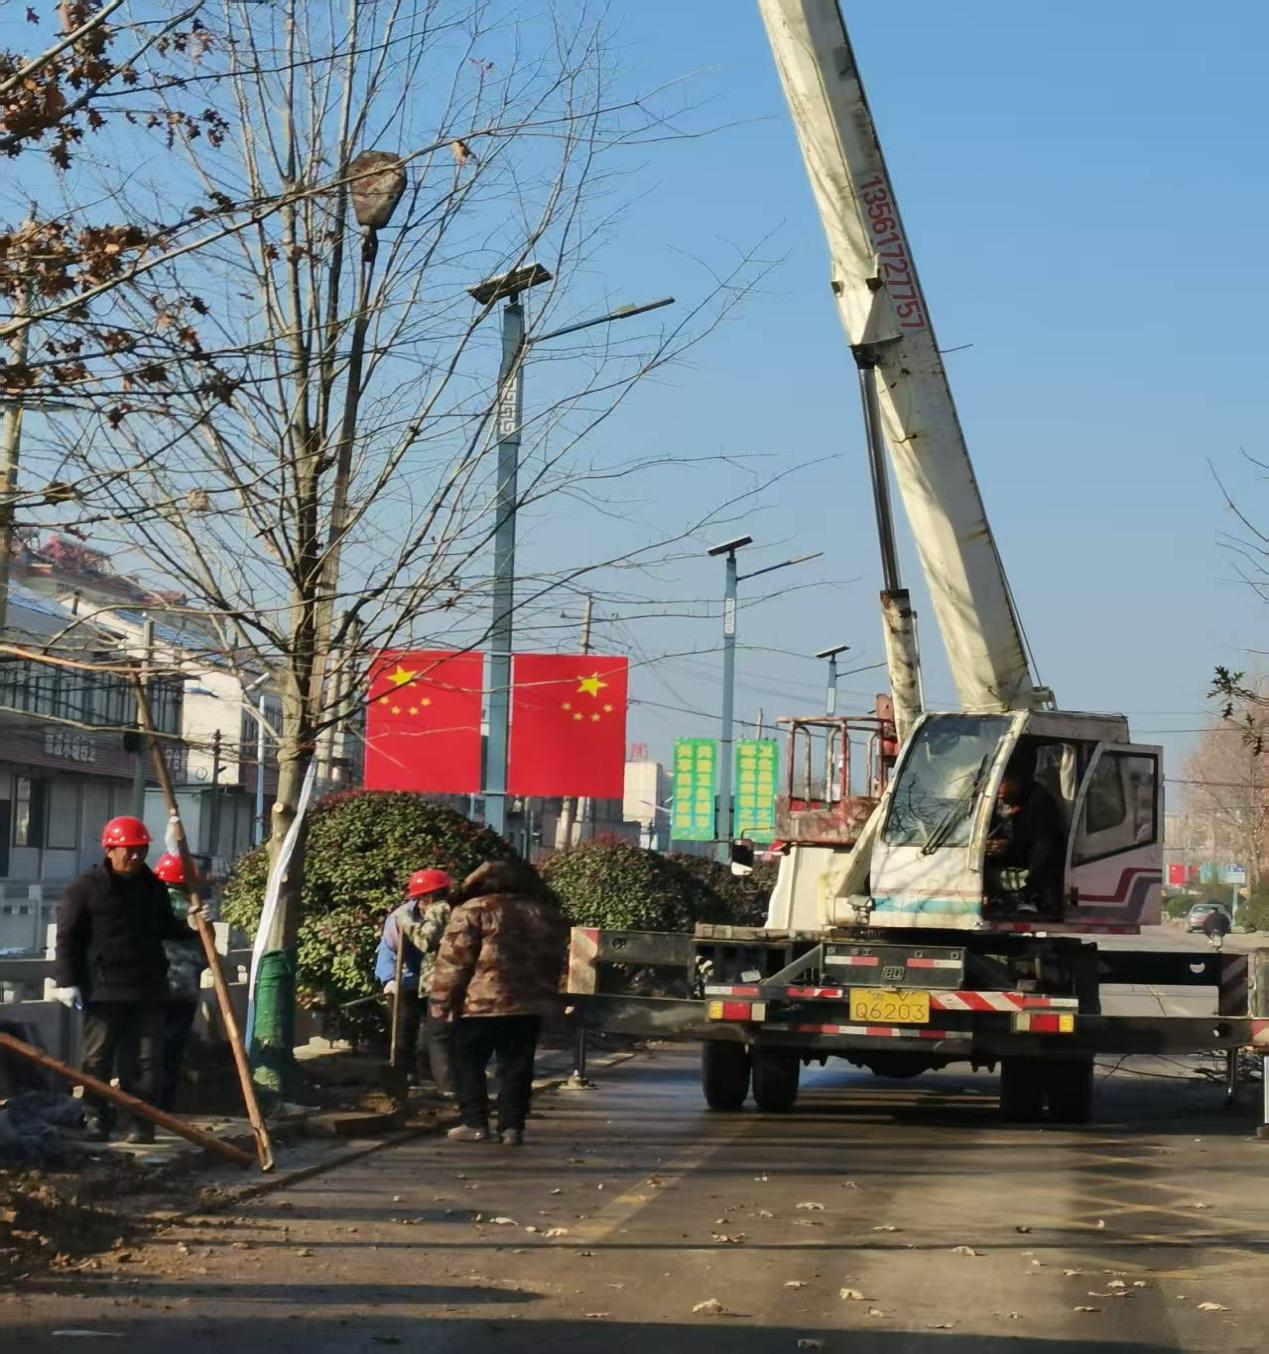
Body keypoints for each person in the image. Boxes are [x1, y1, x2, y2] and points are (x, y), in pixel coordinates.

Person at [51, 817, 199, 1144]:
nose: (134, 857)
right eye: (128, 851)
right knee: (97, 1059)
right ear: (110, 849)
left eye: (141, 850)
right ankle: (96, 1118)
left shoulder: (153, 887)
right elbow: (67, 938)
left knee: (147, 1059)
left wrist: (193, 925)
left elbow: (165, 928)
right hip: (104, 990)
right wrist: (66, 980)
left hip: (148, 988)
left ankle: (140, 1122)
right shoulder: (85, 888)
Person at [430, 860, 567, 1146]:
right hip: (528, 1004)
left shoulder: (473, 910)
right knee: (517, 1065)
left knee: (468, 1061)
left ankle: (475, 1122)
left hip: (480, 1004)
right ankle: (512, 1127)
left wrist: (442, 999)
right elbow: (555, 961)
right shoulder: (543, 913)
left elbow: (454, 960)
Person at [374, 868, 454, 1092]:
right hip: (407, 978)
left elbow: (429, 941)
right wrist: (389, 978)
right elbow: (388, 950)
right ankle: (404, 1073)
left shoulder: (443, 912)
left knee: (431, 1032)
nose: (421, 903)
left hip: (434, 981)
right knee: (404, 1027)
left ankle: (430, 1073)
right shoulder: (399, 917)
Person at [151, 851, 211, 1113]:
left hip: (162, 990)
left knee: (157, 1053)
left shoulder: (188, 907)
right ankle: (162, 1108)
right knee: (168, 1054)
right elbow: (205, 955)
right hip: (180, 990)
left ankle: (158, 1108)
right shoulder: (177, 905)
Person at [985, 757, 1067, 917]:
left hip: (1032, 856)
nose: (997, 790)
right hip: (1012, 851)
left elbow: (1040, 839)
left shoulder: (1039, 800)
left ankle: (1031, 897)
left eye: (1001, 783)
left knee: (1045, 847)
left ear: (1016, 781)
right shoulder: (996, 802)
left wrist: (1008, 846)